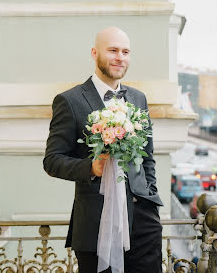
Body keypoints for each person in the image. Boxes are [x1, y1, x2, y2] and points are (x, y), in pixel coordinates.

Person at [43, 27, 163, 273]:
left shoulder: (138, 99)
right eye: (113, 50)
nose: (120, 57)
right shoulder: (70, 101)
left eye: (126, 52)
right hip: (95, 222)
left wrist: (149, 192)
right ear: (95, 52)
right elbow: (52, 160)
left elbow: (147, 155)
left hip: (142, 220)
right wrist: (91, 167)